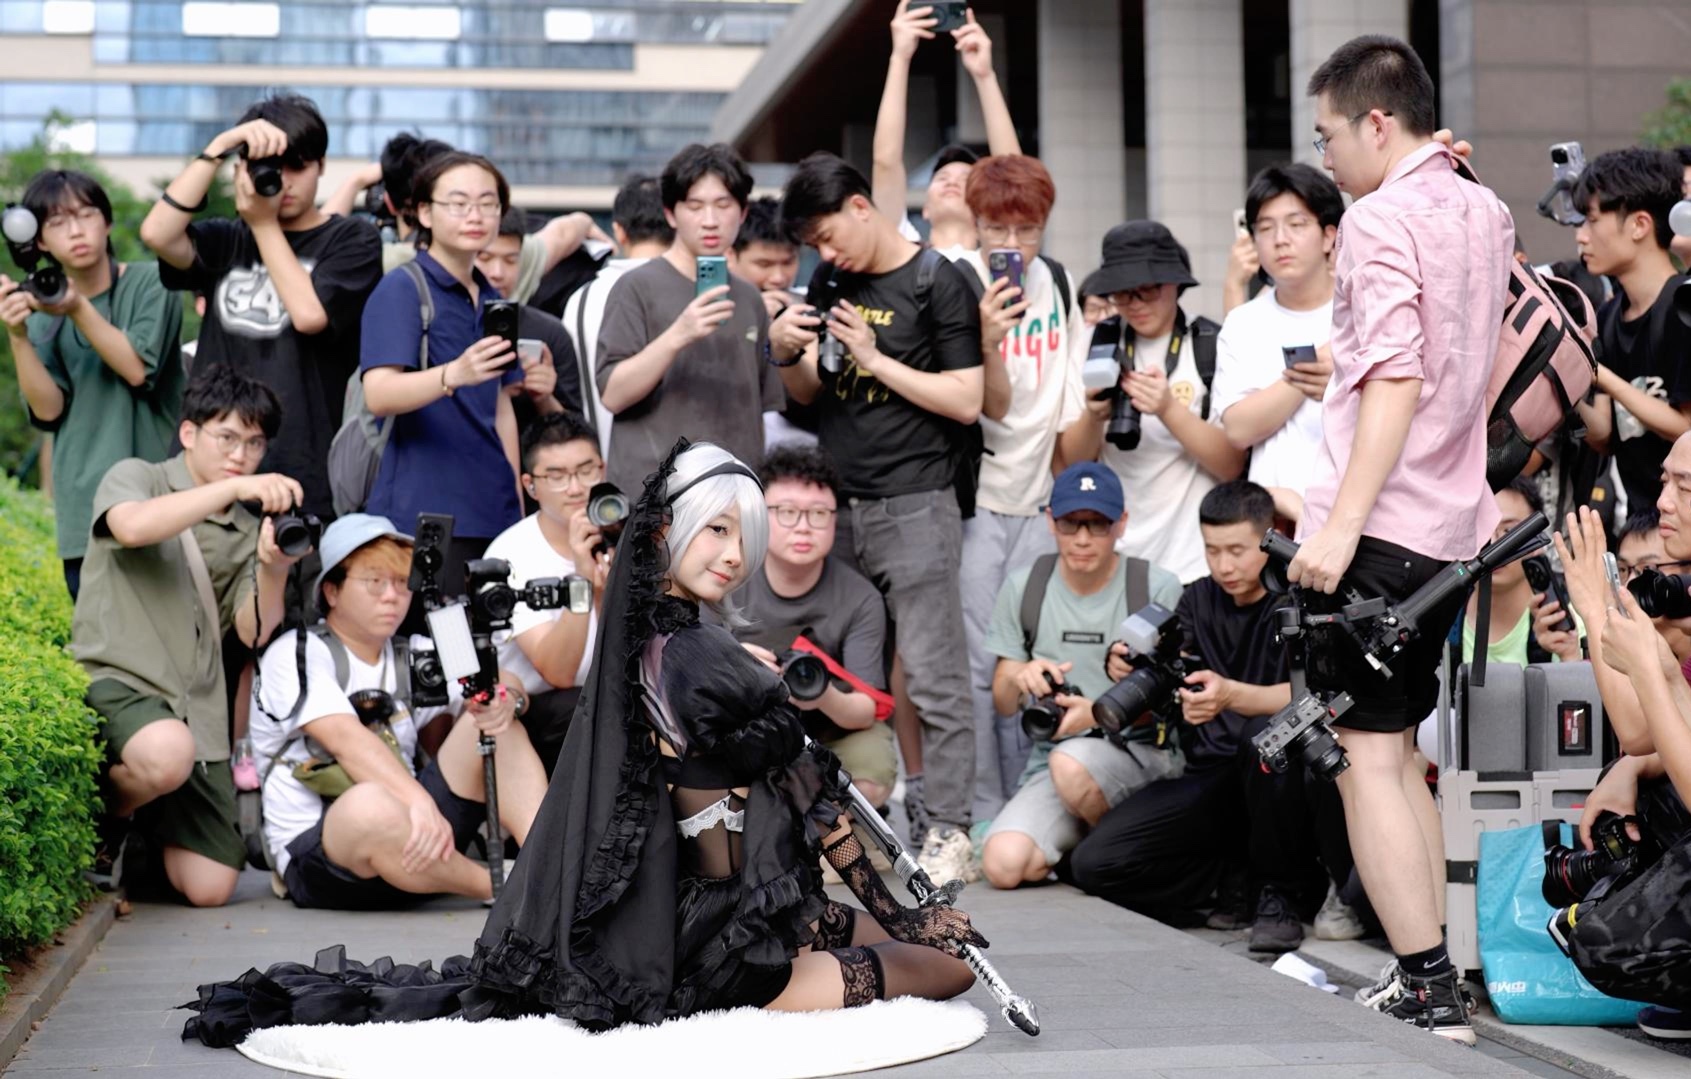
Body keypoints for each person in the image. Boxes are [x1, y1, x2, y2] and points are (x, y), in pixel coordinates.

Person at [181, 440, 984, 1048]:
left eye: (745, 534)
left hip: (712, 913)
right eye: (714, 531)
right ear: (664, 530)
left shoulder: (644, 637)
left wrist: (897, 915)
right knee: (949, 963)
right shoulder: (699, 654)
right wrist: (901, 911)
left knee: (924, 943)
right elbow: (815, 796)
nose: (734, 553)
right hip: (715, 955)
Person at [1289, 35, 1516, 1043]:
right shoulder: (1485, 204)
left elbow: (1394, 377)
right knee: (1395, 751)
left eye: (1328, 135)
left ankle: (1424, 981)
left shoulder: (1378, 218)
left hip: (1378, 525)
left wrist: (1336, 528)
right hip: (1452, 519)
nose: (1325, 158)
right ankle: (1435, 973)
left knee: (1362, 755)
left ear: (1375, 122)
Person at [772, 151, 984, 882]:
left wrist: (874, 353)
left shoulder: (939, 280)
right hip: (839, 503)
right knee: (833, 667)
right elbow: (811, 393)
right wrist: (785, 352)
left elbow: (965, 398)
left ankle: (949, 827)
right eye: (815, 247)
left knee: (933, 671)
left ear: (862, 207)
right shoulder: (834, 278)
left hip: (917, 499)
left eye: (829, 236)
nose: (824, 256)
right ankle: (840, 816)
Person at [73, 364, 297, 907]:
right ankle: (115, 815)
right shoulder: (138, 478)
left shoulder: (245, 529)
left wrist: (274, 567)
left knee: (211, 887)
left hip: (194, 709)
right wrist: (237, 487)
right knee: (168, 754)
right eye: (227, 437)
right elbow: (131, 527)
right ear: (189, 433)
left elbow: (255, 630)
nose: (240, 455)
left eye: (254, 443)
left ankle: (143, 841)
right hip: (122, 682)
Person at [1069, 482, 1330, 947]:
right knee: (1094, 863)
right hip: (1210, 777)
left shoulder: (1299, 601)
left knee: (1263, 737)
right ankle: (1222, 882)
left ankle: (1280, 893)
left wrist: (1230, 695)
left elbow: (1313, 698)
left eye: (1237, 550)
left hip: (1283, 780)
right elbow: (1166, 658)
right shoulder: (1196, 599)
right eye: (1212, 551)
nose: (1224, 565)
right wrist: (1125, 660)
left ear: (1269, 538)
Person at [251, 514, 548, 908]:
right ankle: (509, 887)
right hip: (328, 857)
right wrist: (418, 802)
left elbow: (502, 677)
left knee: (496, 723)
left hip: (424, 838)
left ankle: (548, 867)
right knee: (369, 804)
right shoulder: (297, 651)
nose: (392, 595)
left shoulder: (419, 648)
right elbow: (347, 741)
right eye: (375, 582)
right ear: (332, 591)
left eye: (399, 582)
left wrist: (508, 700)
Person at [141, 92, 382, 519]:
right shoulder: (227, 238)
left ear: (321, 167)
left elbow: (310, 316)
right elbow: (158, 234)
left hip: (305, 467)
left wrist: (263, 222)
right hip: (210, 466)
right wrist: (216, 149)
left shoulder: (351, 241)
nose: (283, 181)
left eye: (298, 166)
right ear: (243, 171)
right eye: (270, 168)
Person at [957, 154, 1094, 814]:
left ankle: (1026, 802)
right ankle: (984, 808)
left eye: (1026, 230)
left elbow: (1068, 414)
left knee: (1029, 657)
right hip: (974, 501)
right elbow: (994, 408)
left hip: (1038, 498)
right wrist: (987, 340)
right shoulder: (954, 281)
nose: (1010, 245)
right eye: (995, 228)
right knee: (978, 662)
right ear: (974, 224)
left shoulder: (1059, 283)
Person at [978, 463, 1184, 890]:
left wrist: (1094, 714)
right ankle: (1086, 845)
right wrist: (1023, 676)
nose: (1083, 539)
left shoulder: (1156, 586)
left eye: (1098, 525)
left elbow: (1174, 705)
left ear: (1121, 524)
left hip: (1142, 753)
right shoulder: (1026, 586)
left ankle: (1118, 854)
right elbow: (1000, 701)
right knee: (1003, 865)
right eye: (1071, 524)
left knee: (1070, 764)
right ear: (1050, 521)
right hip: (1054, 761)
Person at [0, 168, 184, 597]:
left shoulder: (150, 282)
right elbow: (48, 411)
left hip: (158, 500)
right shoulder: (43, 310)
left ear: (106, 221)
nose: (76, 231)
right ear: (40, 241)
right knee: (99, 656)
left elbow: (137, 368)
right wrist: (18, 335)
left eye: (84, 215)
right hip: (85, 511)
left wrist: (77, 306)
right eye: (58, 223)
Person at [359, 151, 529, 599]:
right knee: (434, 649)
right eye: (458, 203)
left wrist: (514, 493)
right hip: (424, 513)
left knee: (488, 648)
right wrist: (452, 374)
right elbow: (378, 393)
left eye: (487, 203)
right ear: (424, 212)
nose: (475, 215)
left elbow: (501, 402)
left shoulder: (492, 296)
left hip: (495, 511)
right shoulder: (402, 288)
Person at [1062, 221, 1246, 584]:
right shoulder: (1092, 345)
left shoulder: (1211, 344)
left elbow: (1231, 465)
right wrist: (1094, 416)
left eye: (1147, 290)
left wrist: (1167, 409)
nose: (1134, 304)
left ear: (1175, 284)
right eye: (1122, 293)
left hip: (1194, 560)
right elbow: (1071, 465)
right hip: (1117, 559)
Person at [596, 144, 783, 493]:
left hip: (735, 492)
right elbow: (613, 393)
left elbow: (763, 408)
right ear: (671, 214)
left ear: (742, 213)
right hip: (654, 498)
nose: (709, 220)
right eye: (695, 206)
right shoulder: (636, 286)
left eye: (723, 205)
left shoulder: (749, 297)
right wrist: (678, 334)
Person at [724, 445, 896, 810]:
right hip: (748, 730)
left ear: (835, 519)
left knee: (871, 768)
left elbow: (867, 708)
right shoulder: (727, 577)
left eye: (818, 513)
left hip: (832, 730)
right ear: (759, 514)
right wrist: (731, 662)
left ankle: (840, 835)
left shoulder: (860, 597)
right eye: (786, 512)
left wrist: (821, 694)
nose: (803, 526)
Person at [1210, 164, 1344, 522]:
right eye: (1265, 228)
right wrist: (1306, 373)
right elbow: (1238, 429)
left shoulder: (1362, 311)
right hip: (1275, 524)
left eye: (1296, 225)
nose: (1280, 240)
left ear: (1329, 236)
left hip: (1355, 518)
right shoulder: (1244, 323)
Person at [483, 413, 610, 774]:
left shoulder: (622, 536)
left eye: (586, 470)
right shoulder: (509, 555)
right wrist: (584, 584)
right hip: (537, 711)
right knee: (589, 708)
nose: (575, 487)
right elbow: (558, 672)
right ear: (530, 485)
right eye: (556, 476)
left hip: (607, 696)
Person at [1570, 148, 1691, 518]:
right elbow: (1606, 435)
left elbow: (1685, 427)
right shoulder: (1606, 315)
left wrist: (1603, 378)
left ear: (1639, 225)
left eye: (1592, 220)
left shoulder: (1684, 306)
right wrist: (1564, 377)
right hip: (1637, 530)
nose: (1581, 237)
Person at [324, 132, 607, 290]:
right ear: (425, 208)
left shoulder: (380, 262)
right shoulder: (511, 255)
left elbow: (321, 243)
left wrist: (356, 180)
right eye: (459, 201)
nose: (496, 270)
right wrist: (587, 223)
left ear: (390, 203)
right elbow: (564, 232)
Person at [872, 2, 1020, 258]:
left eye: (965, 180)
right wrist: (899, 57)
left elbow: (1016, 175)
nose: (951, 181)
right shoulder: (902, 251)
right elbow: (886, 163)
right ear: (925, 207)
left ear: (984, 206)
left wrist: (984, 76)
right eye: (941, 178)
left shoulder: (1000, 255)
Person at [563, 174, 674, 457]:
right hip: (690, 472)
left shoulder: (582, 298)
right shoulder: (694, 292)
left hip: (604, 466)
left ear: (619, 231)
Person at [475, 205, 583, 426]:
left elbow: (576, 433)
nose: (497, 273)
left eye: (510, 260)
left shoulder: (550, 334)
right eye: (485, 258)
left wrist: (544, 398)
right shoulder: (438, 325)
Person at [1461, 479, 1582, 667]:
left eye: (1509, 531)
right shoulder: (1443, 619)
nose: (1493, 545)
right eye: (1482, 529)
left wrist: (1569, 654)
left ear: (1537, 541)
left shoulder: (1566, 622)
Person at [731, 195, 802, 321]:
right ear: (730, 256)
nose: (778, 278)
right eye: (764, 264)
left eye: (788, 263)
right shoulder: (704, 309)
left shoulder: (806, 306)